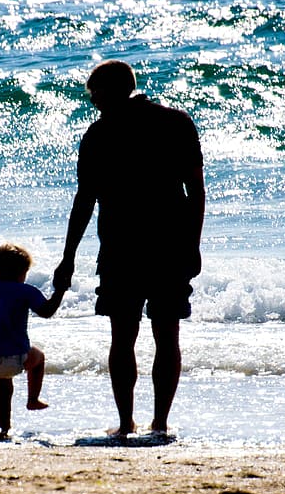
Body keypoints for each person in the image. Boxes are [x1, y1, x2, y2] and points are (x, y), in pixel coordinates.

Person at [53, 60, 205, 440]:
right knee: (165, 335)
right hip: (169, 244)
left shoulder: (99, 134)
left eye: (95, 94)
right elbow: (196, 192)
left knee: (124, 337)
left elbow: (84, 202)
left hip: (121, 247)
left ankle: (126, 423)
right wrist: (192, 242)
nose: (93, 103)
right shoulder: (176, 122)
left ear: (113, 89)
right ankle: (159, 423)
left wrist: (69, 257)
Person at [0, 243, 65, 439]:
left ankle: (4, 429)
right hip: (19, 356)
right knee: (39, 357)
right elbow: (47, 311)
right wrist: (60, 290)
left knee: (3, 392)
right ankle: (33, 399)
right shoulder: (26, 291)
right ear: (24, 272)